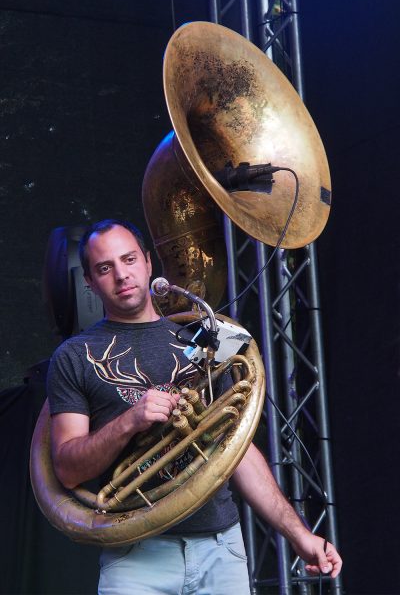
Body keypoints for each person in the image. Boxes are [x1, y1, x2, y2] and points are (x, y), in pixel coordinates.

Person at [47, 219, 342, 595]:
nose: (122, 275)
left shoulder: (209, 337)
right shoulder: (74, 356)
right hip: (136, 554)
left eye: (129, 259)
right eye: (105, 268)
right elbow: (68, 469)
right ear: (89, 281)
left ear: (149, 264)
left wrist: (299, 535)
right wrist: (130, 421)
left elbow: (237, 448)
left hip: (221, 547)